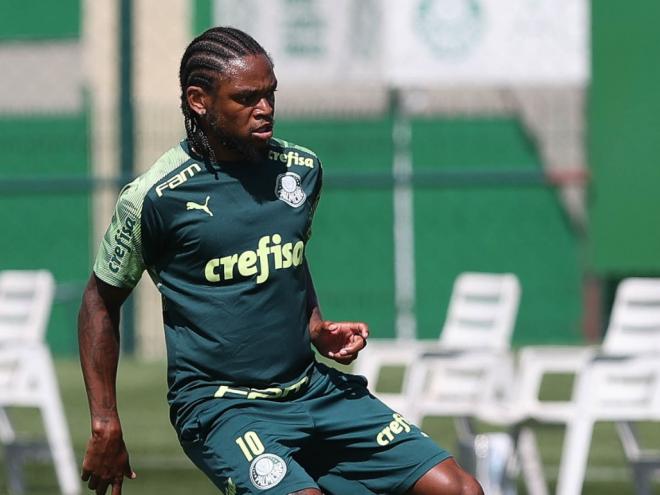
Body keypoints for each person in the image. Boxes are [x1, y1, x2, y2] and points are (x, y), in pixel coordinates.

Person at [78, 26, 483, 495]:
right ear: (198, 101)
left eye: (270, 93)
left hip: (313, 390)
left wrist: (315, 326)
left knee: (460, 489)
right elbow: (98, 302)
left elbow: (288, 262)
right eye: (246, 97)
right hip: (222, 407)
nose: (265, 108)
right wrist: (105, 421)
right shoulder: (153, 198)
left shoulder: (301, 170)